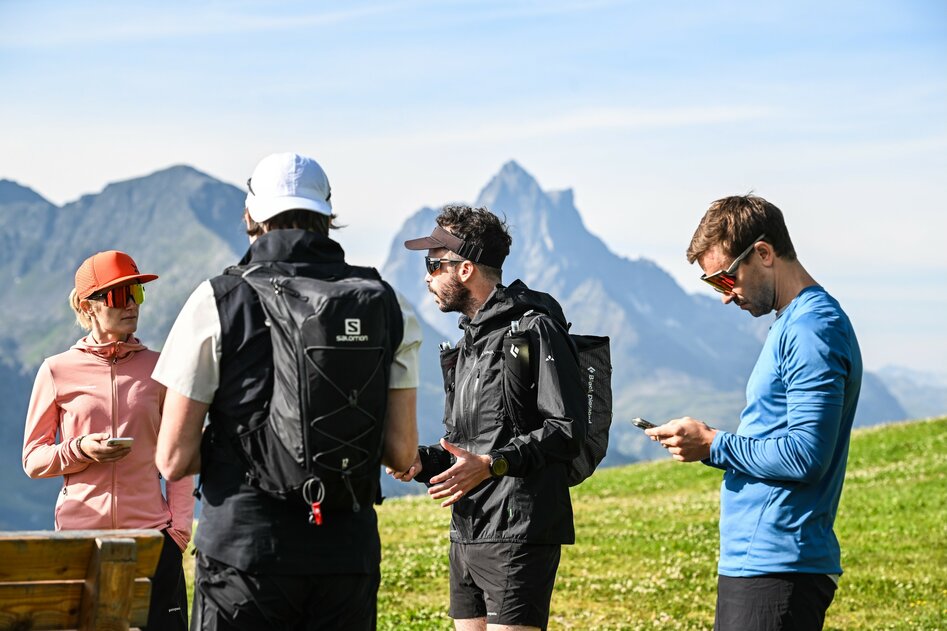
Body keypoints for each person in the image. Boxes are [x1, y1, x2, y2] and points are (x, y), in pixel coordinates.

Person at [153, 152, 420, 630]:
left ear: (251, 215)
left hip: (245, 557)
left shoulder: (218, 300)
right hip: (346, 557)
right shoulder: (385, 301)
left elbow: (173, 458)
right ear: (328, 215)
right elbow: (401, 453)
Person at [646, 195, 862, 631]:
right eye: (714, 285)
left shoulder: (812, 328)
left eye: (726, 278)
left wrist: (713, 444)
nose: (726, 297)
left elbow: (806, 456)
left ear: (763, 253)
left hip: (780, 564)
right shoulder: (792, 323)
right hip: (760, 562)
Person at [394, 205, 586, 631]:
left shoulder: (534, 329)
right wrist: (422, 461)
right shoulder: (468, 342)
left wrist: (494, 464)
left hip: (518, 533)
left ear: (465, 269)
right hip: (466, 530)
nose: (427, 277)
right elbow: (468, 448)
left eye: (433, 265)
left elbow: (567, 430)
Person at [23, 250, 193, 631]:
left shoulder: (161, 368)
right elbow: (32, 459)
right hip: (80, 541)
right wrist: (80, 449)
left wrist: (178, 533)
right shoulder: (56, 371)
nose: (131, 304)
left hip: (152, 540)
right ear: (89, 306)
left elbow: (180, 453)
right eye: (118, 295)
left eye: (137, 292)